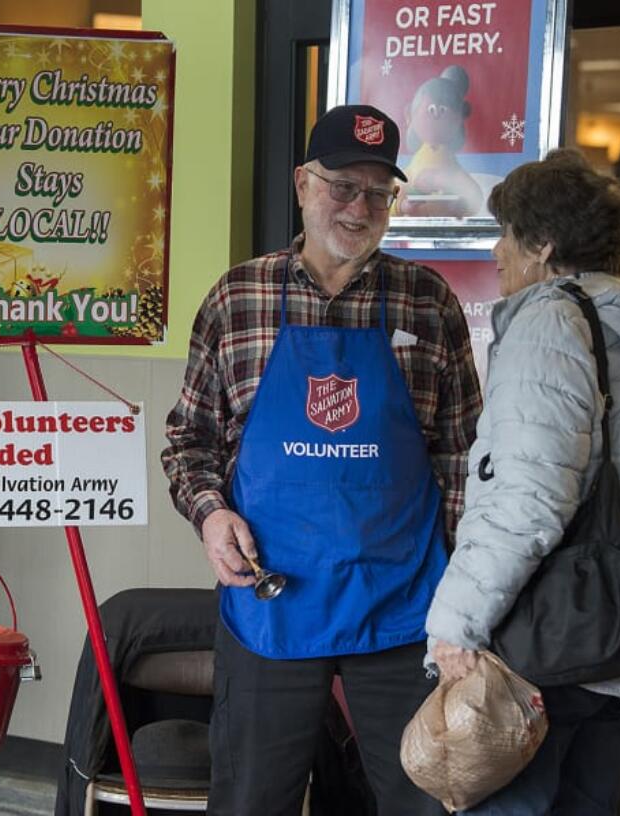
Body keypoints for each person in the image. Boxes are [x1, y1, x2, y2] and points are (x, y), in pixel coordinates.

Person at [162, 104, 482, 816]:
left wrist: (461, 596)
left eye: (378, 192)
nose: (359, 206)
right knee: (252, 799)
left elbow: (462, 455)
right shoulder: (237, 299)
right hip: (272, 600)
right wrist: (212, 517)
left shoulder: (428, 302)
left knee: (423, 798)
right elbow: (190, 440)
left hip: (403, 606)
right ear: (303, 184)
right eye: (342, 185)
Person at [425, 148, 620, 815]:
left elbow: (528, 494)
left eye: (506, 235)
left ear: (541, 244)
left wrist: (457, 621)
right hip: (615, 637)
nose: (496, 252)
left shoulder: (549, 322)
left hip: (543, 642)